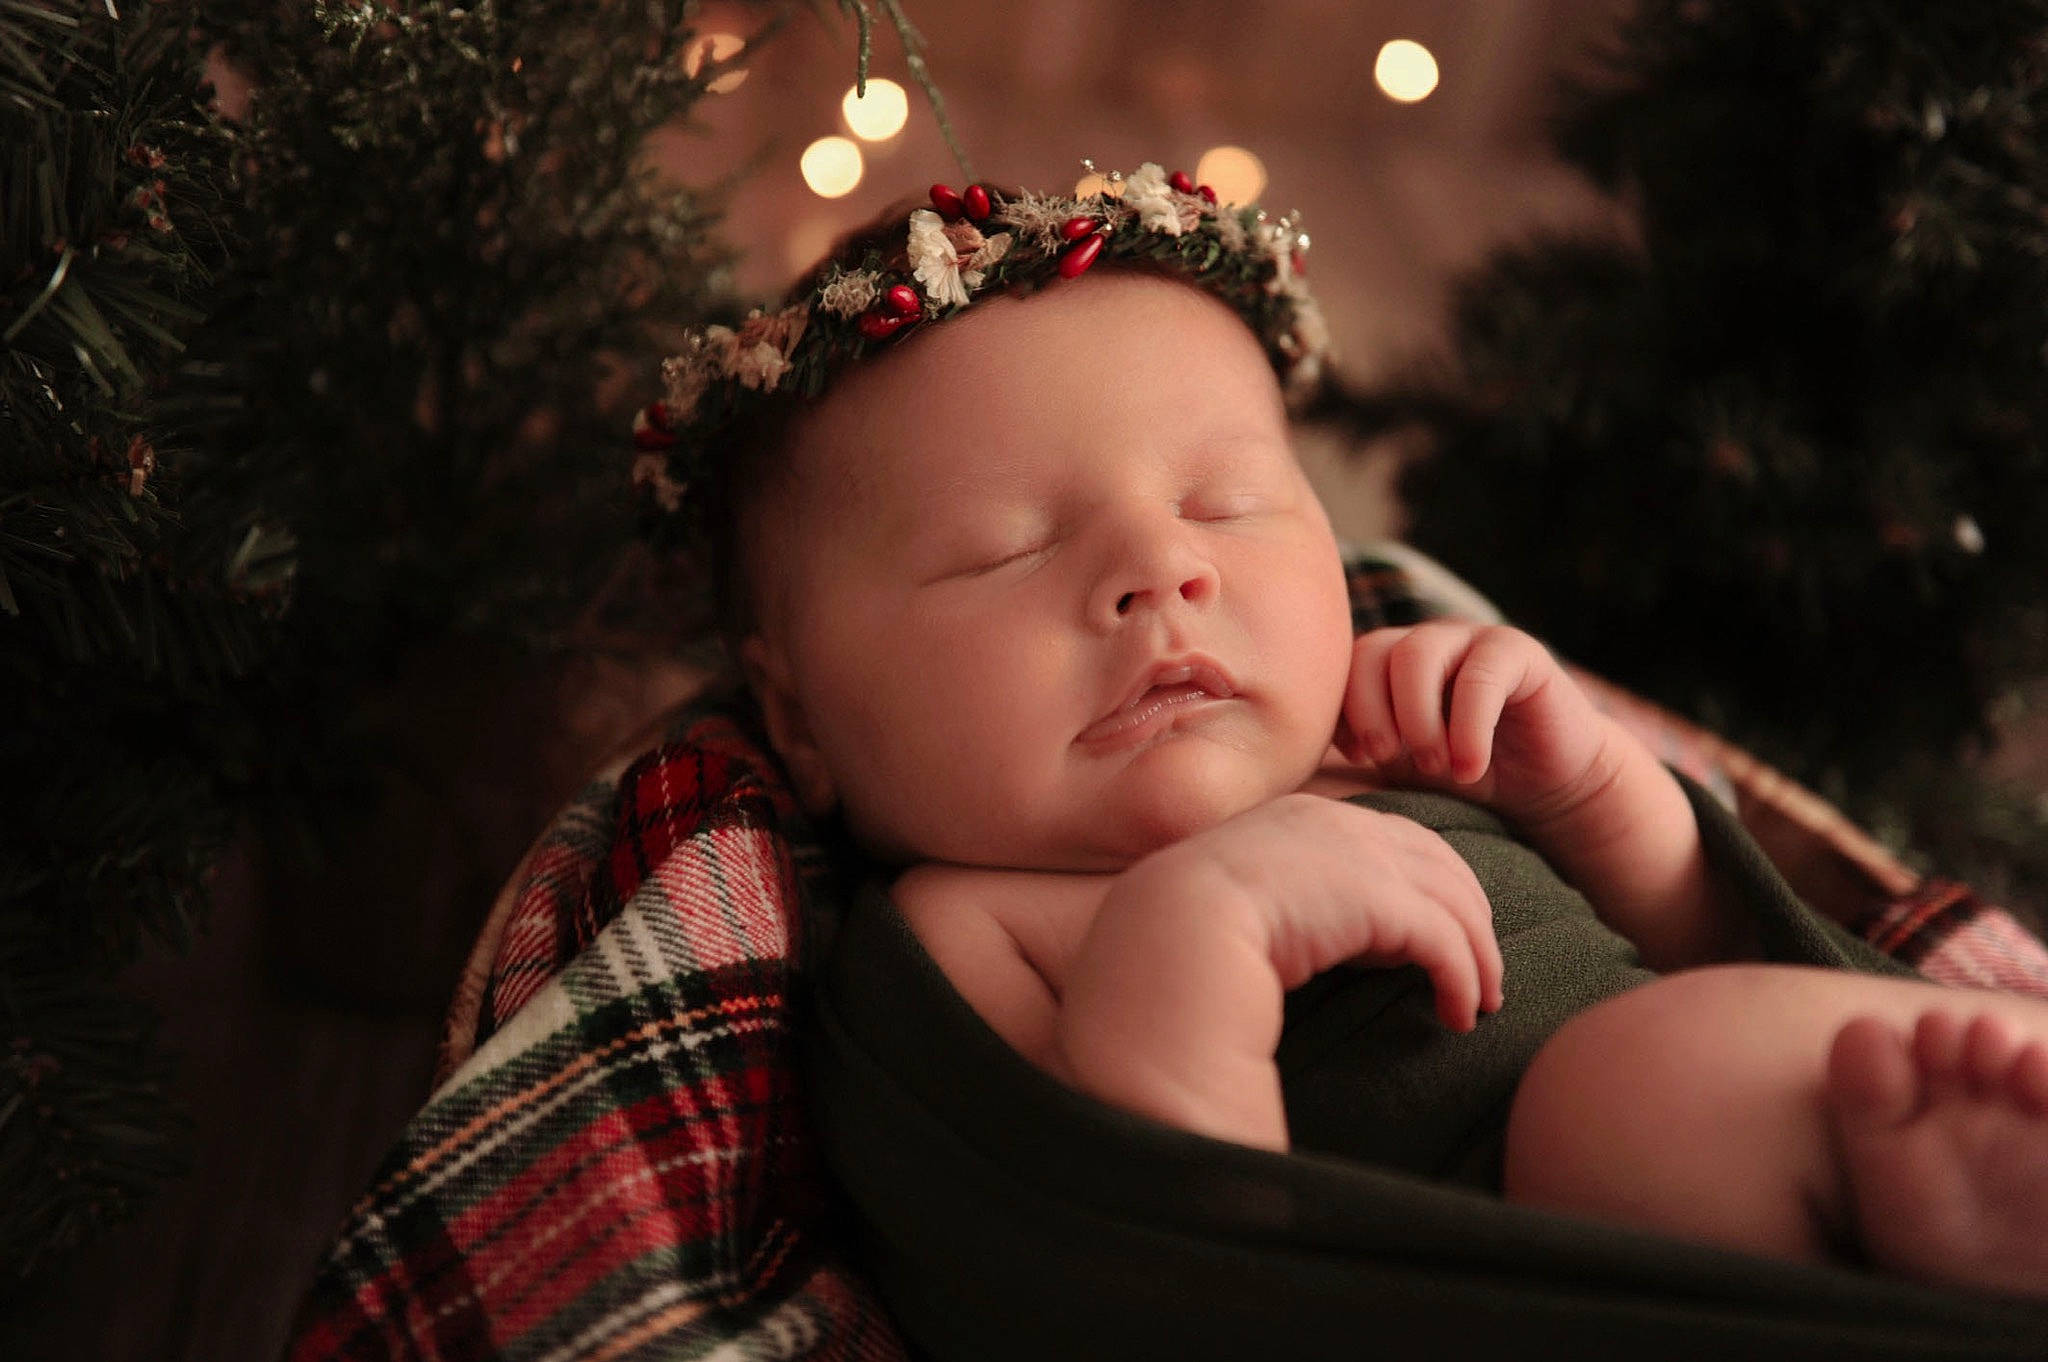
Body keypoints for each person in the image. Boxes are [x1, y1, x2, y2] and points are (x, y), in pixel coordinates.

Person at [631, 165, 2048, 1298]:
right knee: (1639, 1084)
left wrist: (1601, 790)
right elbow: (1145, 1267)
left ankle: (1949, 1181)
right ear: (800, 720)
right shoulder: (960, 929)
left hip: (1785, 1161)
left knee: (1732, 1043)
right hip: (1511, 1285)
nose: (1162, 571)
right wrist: (1207, 923)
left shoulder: (1400, 733)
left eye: (1229, 501)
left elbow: (1715, 937)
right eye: (1004, 550)